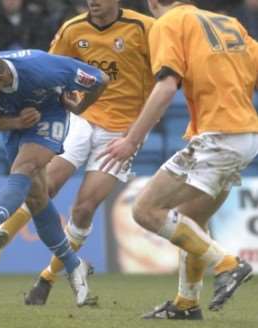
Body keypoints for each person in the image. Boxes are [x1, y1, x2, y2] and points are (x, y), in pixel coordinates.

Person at [0, 0, 155, 306]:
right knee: (42, 190)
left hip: (121, 129)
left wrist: (138, 131)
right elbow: (47, 76)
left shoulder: (145, 28)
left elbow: (167, 76)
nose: (93, 1)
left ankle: (47, 277)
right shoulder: (72, 28)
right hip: (81, 121)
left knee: (83, 207)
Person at [99, 0, 258, 320]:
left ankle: (229, 265)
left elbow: (166, 85)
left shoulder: (169, 22)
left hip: (219, 135)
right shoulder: (227, 24)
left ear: (152, 2)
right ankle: (187, 303)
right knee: (191, 221)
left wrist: (131, 139)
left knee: (145, 210)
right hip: (246, 135)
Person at [0, 49, 109, 306]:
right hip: (16, 125)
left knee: (25, 167)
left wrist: (80, 107)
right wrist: (17, 123)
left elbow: (101, 79)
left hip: (50, 115)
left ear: (1, 78)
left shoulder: (43, 69)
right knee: (36, 199)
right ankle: (75, 266)